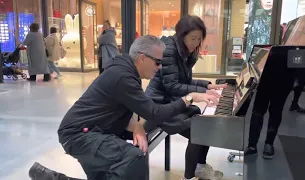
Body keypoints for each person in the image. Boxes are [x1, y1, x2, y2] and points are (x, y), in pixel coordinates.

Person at [28, 35, 219, 180]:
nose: (160, 67)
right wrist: (189, 98)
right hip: (80, 135)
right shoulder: (123, 76)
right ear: (142, 58)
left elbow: (126, 106)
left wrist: (136, 126)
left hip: (93, 131)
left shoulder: (125, 70)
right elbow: (153, 112)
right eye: (158, 62)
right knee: (134, 157)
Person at [143, 15, 225, 180]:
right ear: (182, 36)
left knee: (204, 121)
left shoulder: (184, 51)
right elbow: (172, 86)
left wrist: (207, 85)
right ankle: (188, 177)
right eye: (193, 38)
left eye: (199, 39)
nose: (196, 42)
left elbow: (184, 81)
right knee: (197, 129)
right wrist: (199, 94)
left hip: (170, 101)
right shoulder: (169, 50)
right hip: (157, 105)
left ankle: (199, 166)